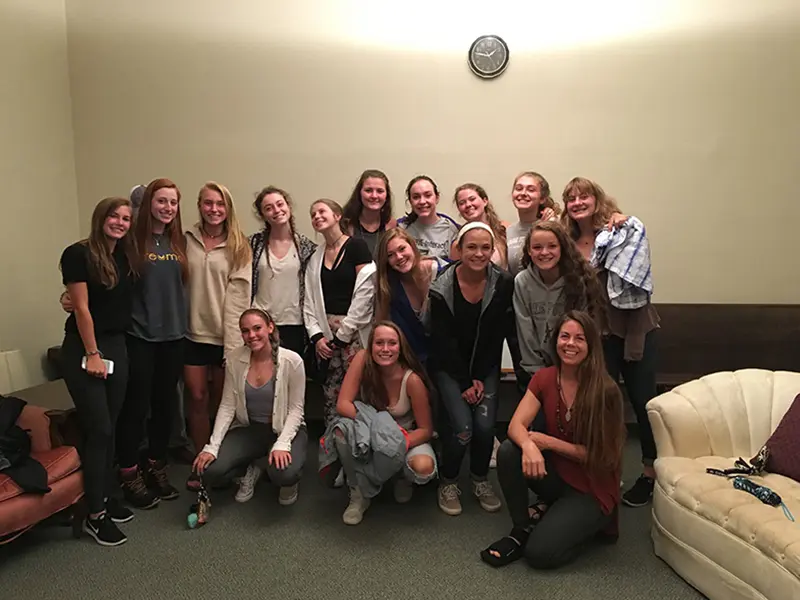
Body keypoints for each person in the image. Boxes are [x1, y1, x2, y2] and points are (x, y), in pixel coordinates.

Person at [481, 311, 625, 569]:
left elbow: (606, 458)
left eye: (579, 338)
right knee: (508, 451)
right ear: (555, 341)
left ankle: (586, 526)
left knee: (540, 555)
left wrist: (547, 444)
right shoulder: (545, 378)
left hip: (592, 487)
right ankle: (521, 529)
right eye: (565, 336)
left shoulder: (606, 390)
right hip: (557, 473)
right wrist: (528, 445)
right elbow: (516, 425)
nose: (570, 344)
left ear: (590, 345)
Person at [561, 177, 659, 507]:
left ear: (596, 199)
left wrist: (634, 344)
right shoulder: (568, 241)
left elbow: (636, 283)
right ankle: (607, 470)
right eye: (570, 198)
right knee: (603, 406)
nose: (577, 203)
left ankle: (649, 473)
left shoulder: (621, 232)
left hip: (635, 330)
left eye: (583, 196)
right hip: (598, 336)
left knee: (645, 403)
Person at [59, 197, 137, 546]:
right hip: (85, 347)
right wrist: (92, 353)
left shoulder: (123, 255)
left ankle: (106, 494)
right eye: (114, 216)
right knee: (100, 430)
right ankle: (95, 515)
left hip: (117, 345)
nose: (120, 223)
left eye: (125, 218)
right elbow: (81, 310)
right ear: (100, 217)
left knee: (113, 424)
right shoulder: (78, 254)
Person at [429, 222, 514, 516]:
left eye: (485, 248)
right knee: (463, 428)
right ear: (458, 249)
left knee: (486, 426)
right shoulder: (440, 286)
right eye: (471, 247)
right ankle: (449, 481)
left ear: (493, 250)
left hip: (484, 366)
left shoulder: (502, 282)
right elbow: (442, 341)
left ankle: (479, 478)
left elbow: (495, 335)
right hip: (450, 368)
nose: (479, 253)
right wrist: (466, 382)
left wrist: (479, 377)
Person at [116, 177, 188, 508]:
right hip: (140, 337)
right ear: (148, 204)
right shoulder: (130, 241)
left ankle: (157, 467)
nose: (167, 208)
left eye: (173, 202)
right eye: (161, 201)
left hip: (173, 337)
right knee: (136, 408)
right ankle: (129, 473)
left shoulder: (177, 242)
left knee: (165, 408)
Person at [193, 309, 307, 506]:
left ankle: (281, 476)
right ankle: (251, 468)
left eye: (257, 328)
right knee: (211, 470)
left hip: (285, 429)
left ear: (270, 327)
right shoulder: (234, 359)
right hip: (250, 429)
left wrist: (283, 444)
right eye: (245, 331)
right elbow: (227, 406)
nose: (251, 335)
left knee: (284, 474)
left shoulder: (292, 361)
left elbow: (296, 410)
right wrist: (212, 446)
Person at [183, 182, 252, 489]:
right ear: (200, 205)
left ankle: (220, 461)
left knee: (223, 404)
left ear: (228, 208)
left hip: (225, 337)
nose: (214, 209)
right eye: (208, 203)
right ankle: (199, 462)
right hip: (191, 335)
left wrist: (234, 344)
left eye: (220, 204)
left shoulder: (239, 244)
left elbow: (240, 296)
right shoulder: (185, 240)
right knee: (197, 398)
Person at [333, 322, 436, 524]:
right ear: (371, 346)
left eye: (392, 343)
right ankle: (358, 493)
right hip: (369, 430)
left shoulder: (412, 380)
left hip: (404, 435)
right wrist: (380, 430)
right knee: (341, 432)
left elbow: (426, 430)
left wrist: (393, 442)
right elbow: (343, 405)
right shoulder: (362, 360)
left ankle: (401, 477)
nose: (386, 349)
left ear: (401, 347)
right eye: (379, 343)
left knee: (424, 467)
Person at [303, 199, 377, 426]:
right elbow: (309, 300)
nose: (317, 216)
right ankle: (333, 442)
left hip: (354, 332)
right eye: (313, 214)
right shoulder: (316, 257)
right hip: (326, 335)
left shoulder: (356, 247)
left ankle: (362, 442)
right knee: (331, 390)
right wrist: (317, 337)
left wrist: (343, 335)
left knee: (358, 389)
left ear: (337, 216)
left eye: (322, 211)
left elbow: (366, 293)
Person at [513, 220, 606, 391]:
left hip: (574, 367)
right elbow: (525, 332)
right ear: (529, 251)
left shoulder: (578, 280)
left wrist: (569, 374)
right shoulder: (522, 282)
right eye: (537, 247)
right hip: (536, 372)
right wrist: (538, 375)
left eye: (552, 246)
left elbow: (583, 333)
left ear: (562, 248)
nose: (545, 252)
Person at [250, 186, 317, 356]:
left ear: (288, 206)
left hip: (294, 323)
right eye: (268, 208)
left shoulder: (306, 247)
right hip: (261, 323)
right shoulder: (253, 244)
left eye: (280, 204)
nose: (276, 210)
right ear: (262, 215)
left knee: (291, 377)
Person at [374, 229, 438, 366]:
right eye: (391, 255)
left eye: (402, 249)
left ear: (412, 246)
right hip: (412, 360)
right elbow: (381, 326)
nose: (399, 257)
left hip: (447, 357)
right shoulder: (389, 286)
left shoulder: (439, 272)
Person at [397, 175, 459, 268]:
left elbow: (455, 268)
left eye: (428, 195)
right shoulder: (401, 228)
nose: (422, 201)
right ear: (410, 201)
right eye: (416, 197)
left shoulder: (451, 229)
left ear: (437, 198)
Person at [506, 172, 559, 277]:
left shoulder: (553, 226)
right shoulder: (509, 231)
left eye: (531, 190)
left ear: (542, 198)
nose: (523, 193)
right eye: (519, 188)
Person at [450, 183, 509, 269]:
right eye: (462, 203)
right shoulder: (458, 243)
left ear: (485, 201)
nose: (468, 205)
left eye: (472, 199)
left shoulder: (504, 229)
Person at [342, 169, 397, 255]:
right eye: (368, 190)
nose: (374, 196)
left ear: (387, 195)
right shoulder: (347, 224)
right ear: (359, 193)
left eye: (380, 191)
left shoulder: (391, 224)